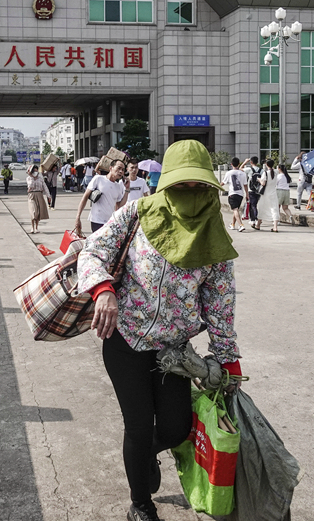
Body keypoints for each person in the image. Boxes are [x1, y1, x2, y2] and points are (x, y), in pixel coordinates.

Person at [76, 140, 241, 521]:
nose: (189, 193)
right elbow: (92, 251)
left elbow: (220, 301)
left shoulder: (212, 231)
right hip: (126, 340)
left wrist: (228, 359)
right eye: (180, 185)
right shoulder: (137, 213)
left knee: (174, 428)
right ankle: (141, 504)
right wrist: (103, 291)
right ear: (165, 183)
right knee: (137, 426)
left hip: (174, 352)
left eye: (197, 185)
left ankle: (148, 454)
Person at [74, 159, 127, 235]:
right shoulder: (98, 179)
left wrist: (127, 190)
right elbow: (85, 197)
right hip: (97, 220)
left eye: (123, 170)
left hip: (110, 222)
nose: (121, 171)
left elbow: (119, 206)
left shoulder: (118, 186)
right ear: (111, 168)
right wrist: (78, 217)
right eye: (118, 168)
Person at [220, 157, 248, 232]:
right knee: (236, 210)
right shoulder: (243, 173)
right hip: (240, 194)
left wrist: (216, 186)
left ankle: (241, 225)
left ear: (231, 164)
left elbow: (223, 182)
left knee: (235, 210)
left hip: (232, 193)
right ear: (239, 164)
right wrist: (247, 194)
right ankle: (232, 224)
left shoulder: (229, 173)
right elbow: (245, 185)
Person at [26, 164, 52, 234]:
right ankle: (32, 227)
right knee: (33, 212)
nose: (35, 171)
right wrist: (32, 177)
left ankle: (36, 227)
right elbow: (30, 186)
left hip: (39, 195)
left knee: (38, 212)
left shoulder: (40, 178)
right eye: (34, 170)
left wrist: (48, 196)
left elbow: (45, 187)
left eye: (36, 170)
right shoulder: (29, 178)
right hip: (32, 195)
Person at [256, 159, 280, 232]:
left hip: (266, 193)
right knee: (274, 209)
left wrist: (259, 179)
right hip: (273, 193)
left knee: (262, 207)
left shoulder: (266, 173)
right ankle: (275, 227)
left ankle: (258, 225)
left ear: (266, 164)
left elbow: (263, 183)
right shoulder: (276, 172)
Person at [245, 156, 262, 228]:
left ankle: (253, 220)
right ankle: (255, 218)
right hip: (258, 190)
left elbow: (239, 169)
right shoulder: (262, 170)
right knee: (255, 204)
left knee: (252, 205)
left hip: (251, 190)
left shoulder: (249, 169)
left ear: (251, 162)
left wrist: (245, 162)